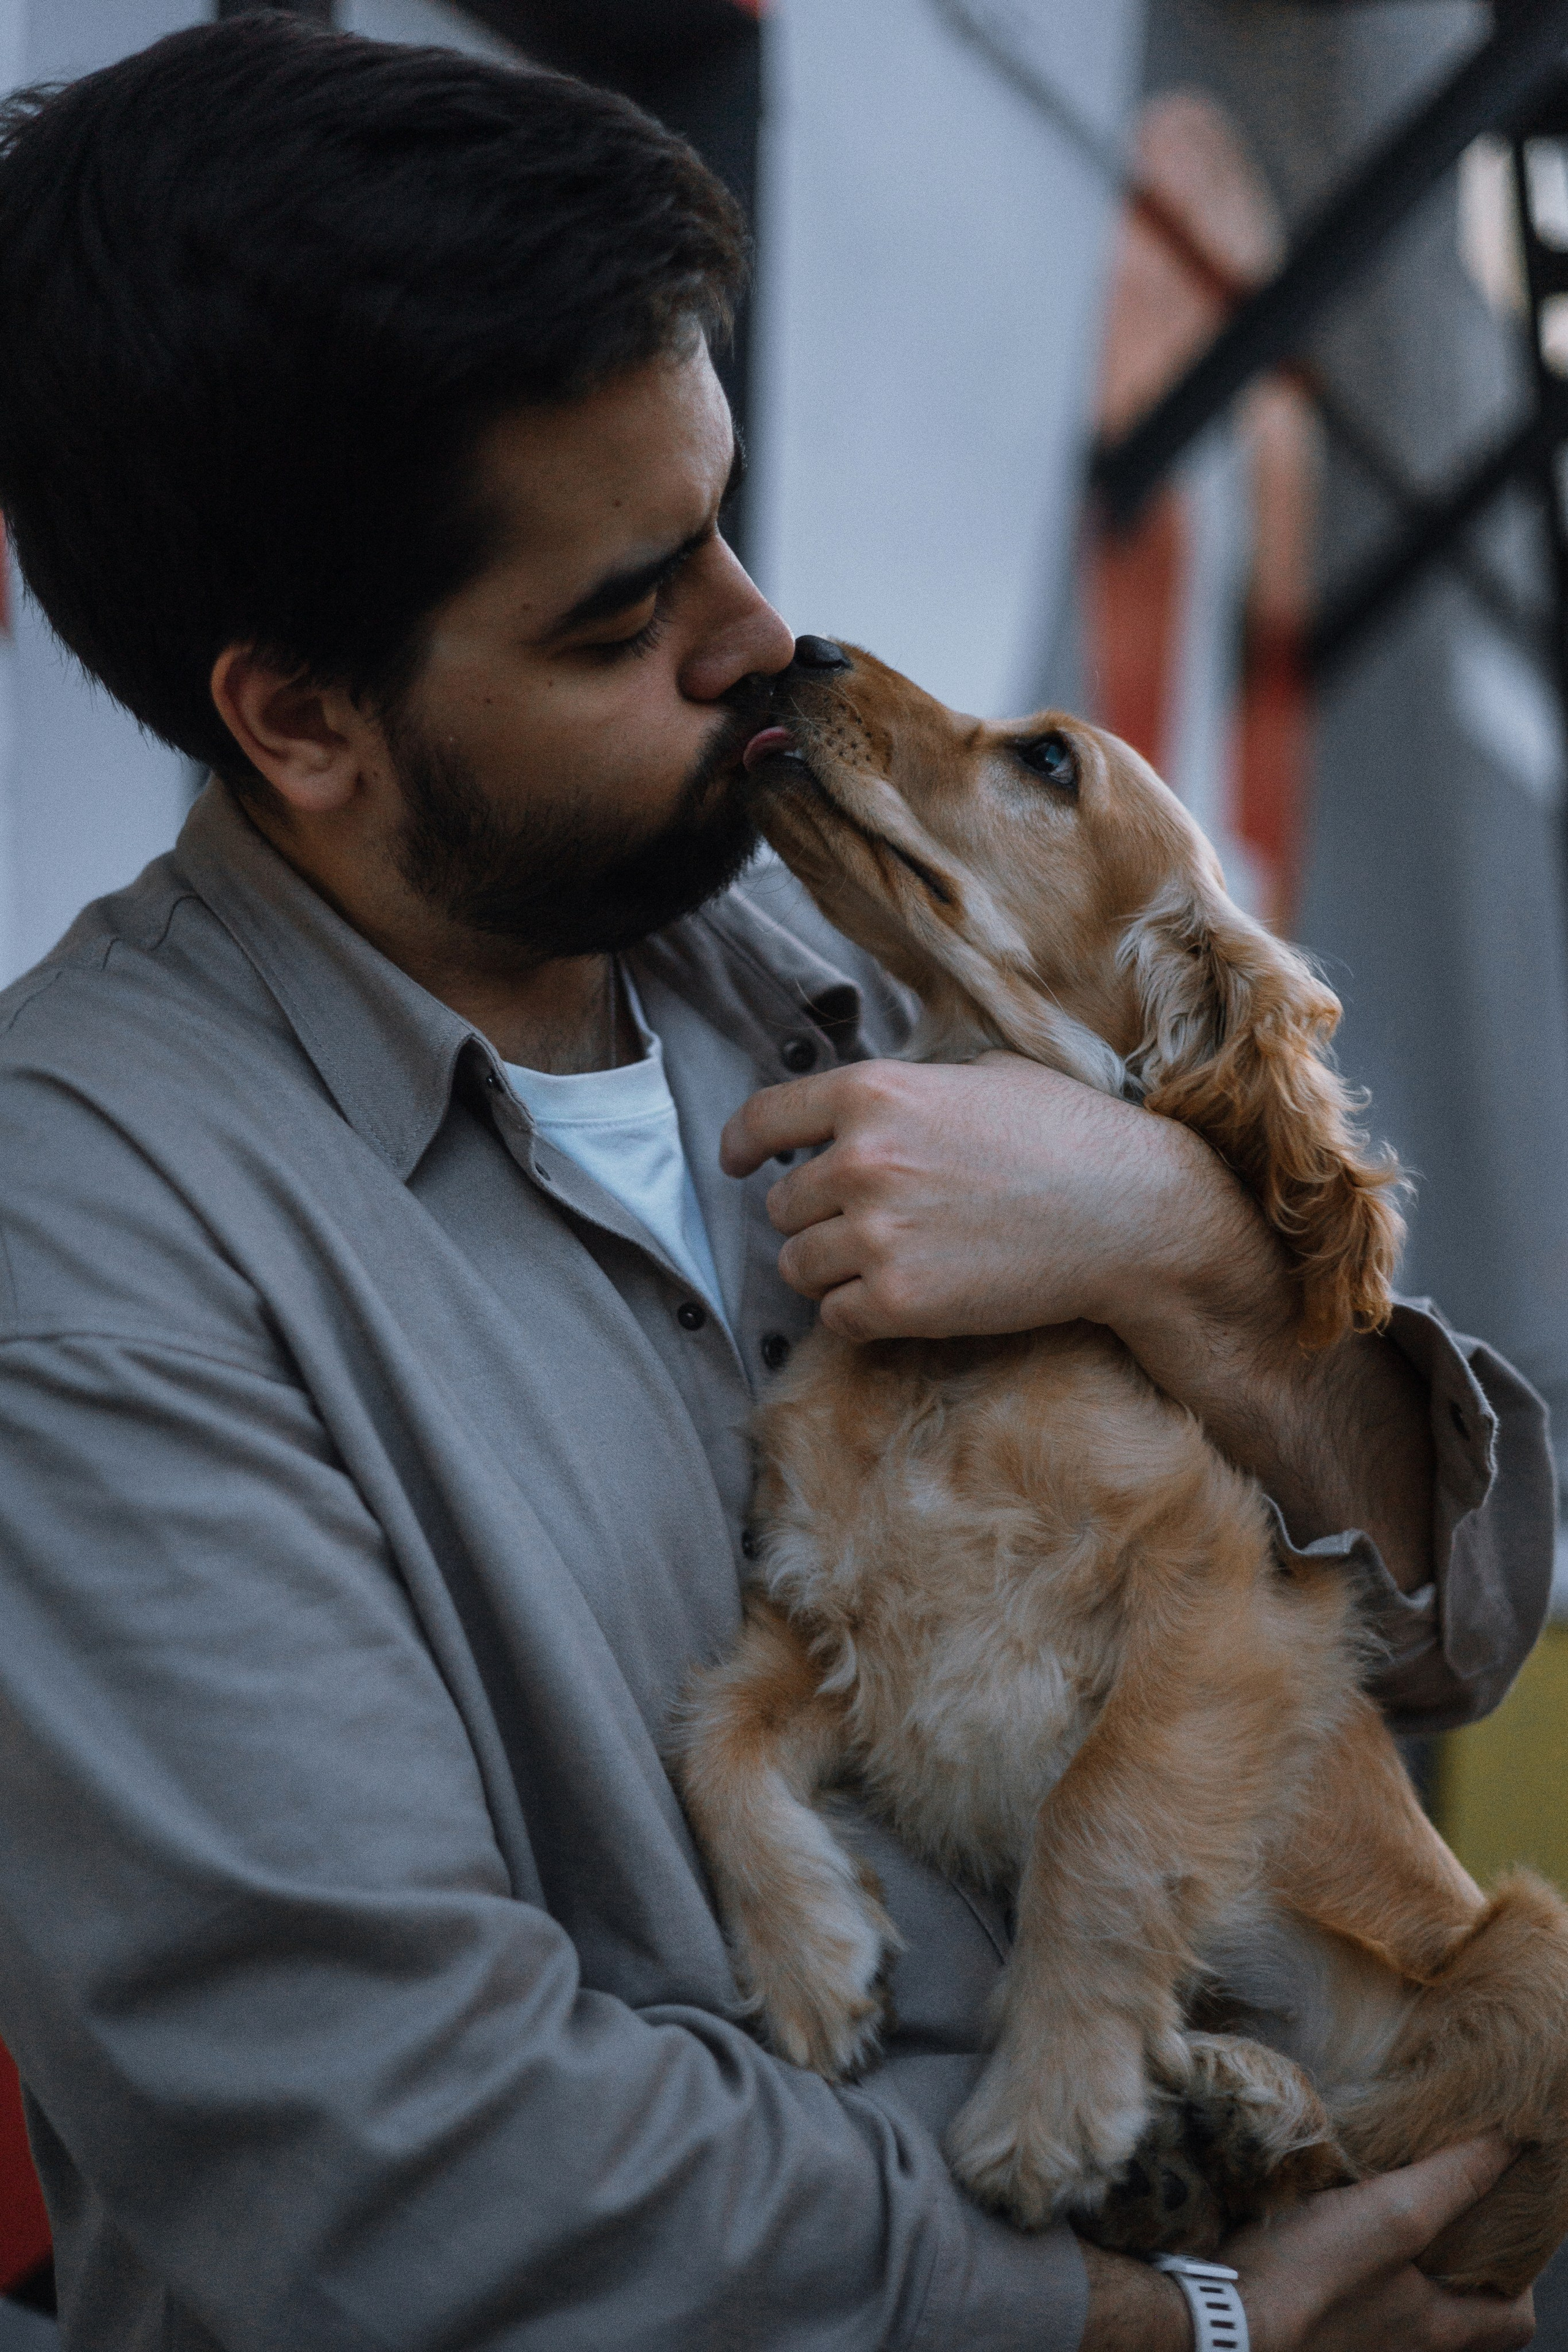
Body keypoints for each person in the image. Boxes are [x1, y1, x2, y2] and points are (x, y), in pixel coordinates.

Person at [0, 18, 1550, 2351]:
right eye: (622, 616)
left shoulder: (818, 931)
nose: (760, 639)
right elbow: (405, 2167)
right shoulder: (93, 1252)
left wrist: (1188, 1261)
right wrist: (1188, 2331)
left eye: (723, 508)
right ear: (296, 720)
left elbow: (1457, 1618)